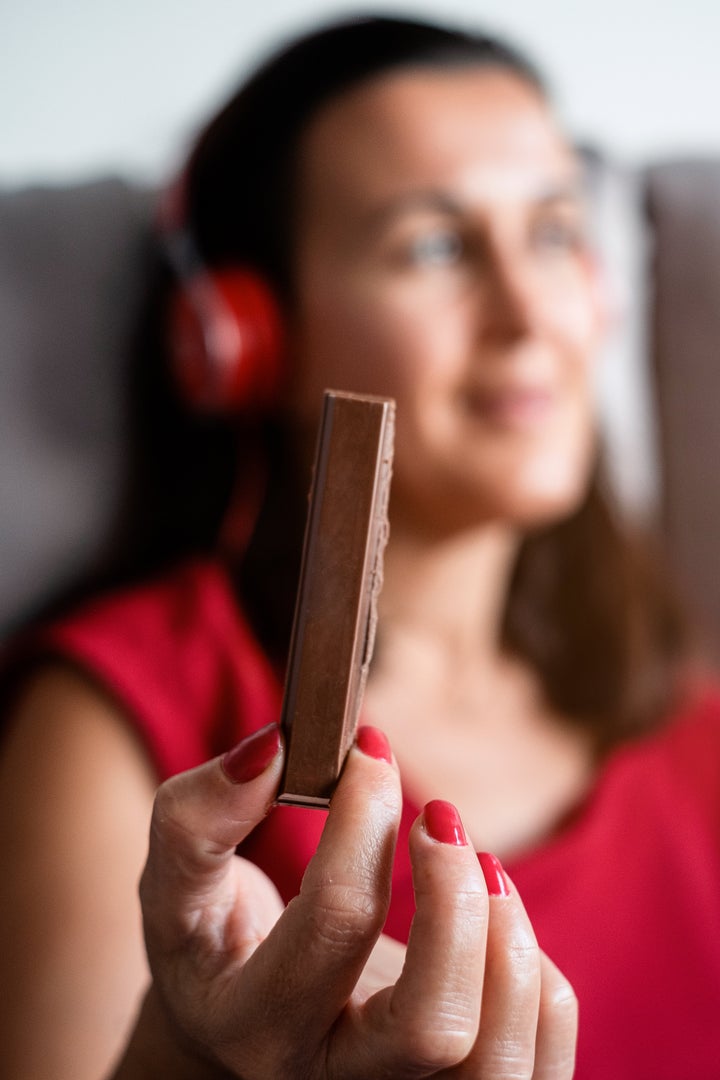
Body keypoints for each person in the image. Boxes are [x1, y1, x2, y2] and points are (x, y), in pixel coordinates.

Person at [1, 12, 719, 1079]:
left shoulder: (691, 726)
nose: (529, 314)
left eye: (558, 233)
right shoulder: (121, 715)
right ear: (246, 343)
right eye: (433, 245)